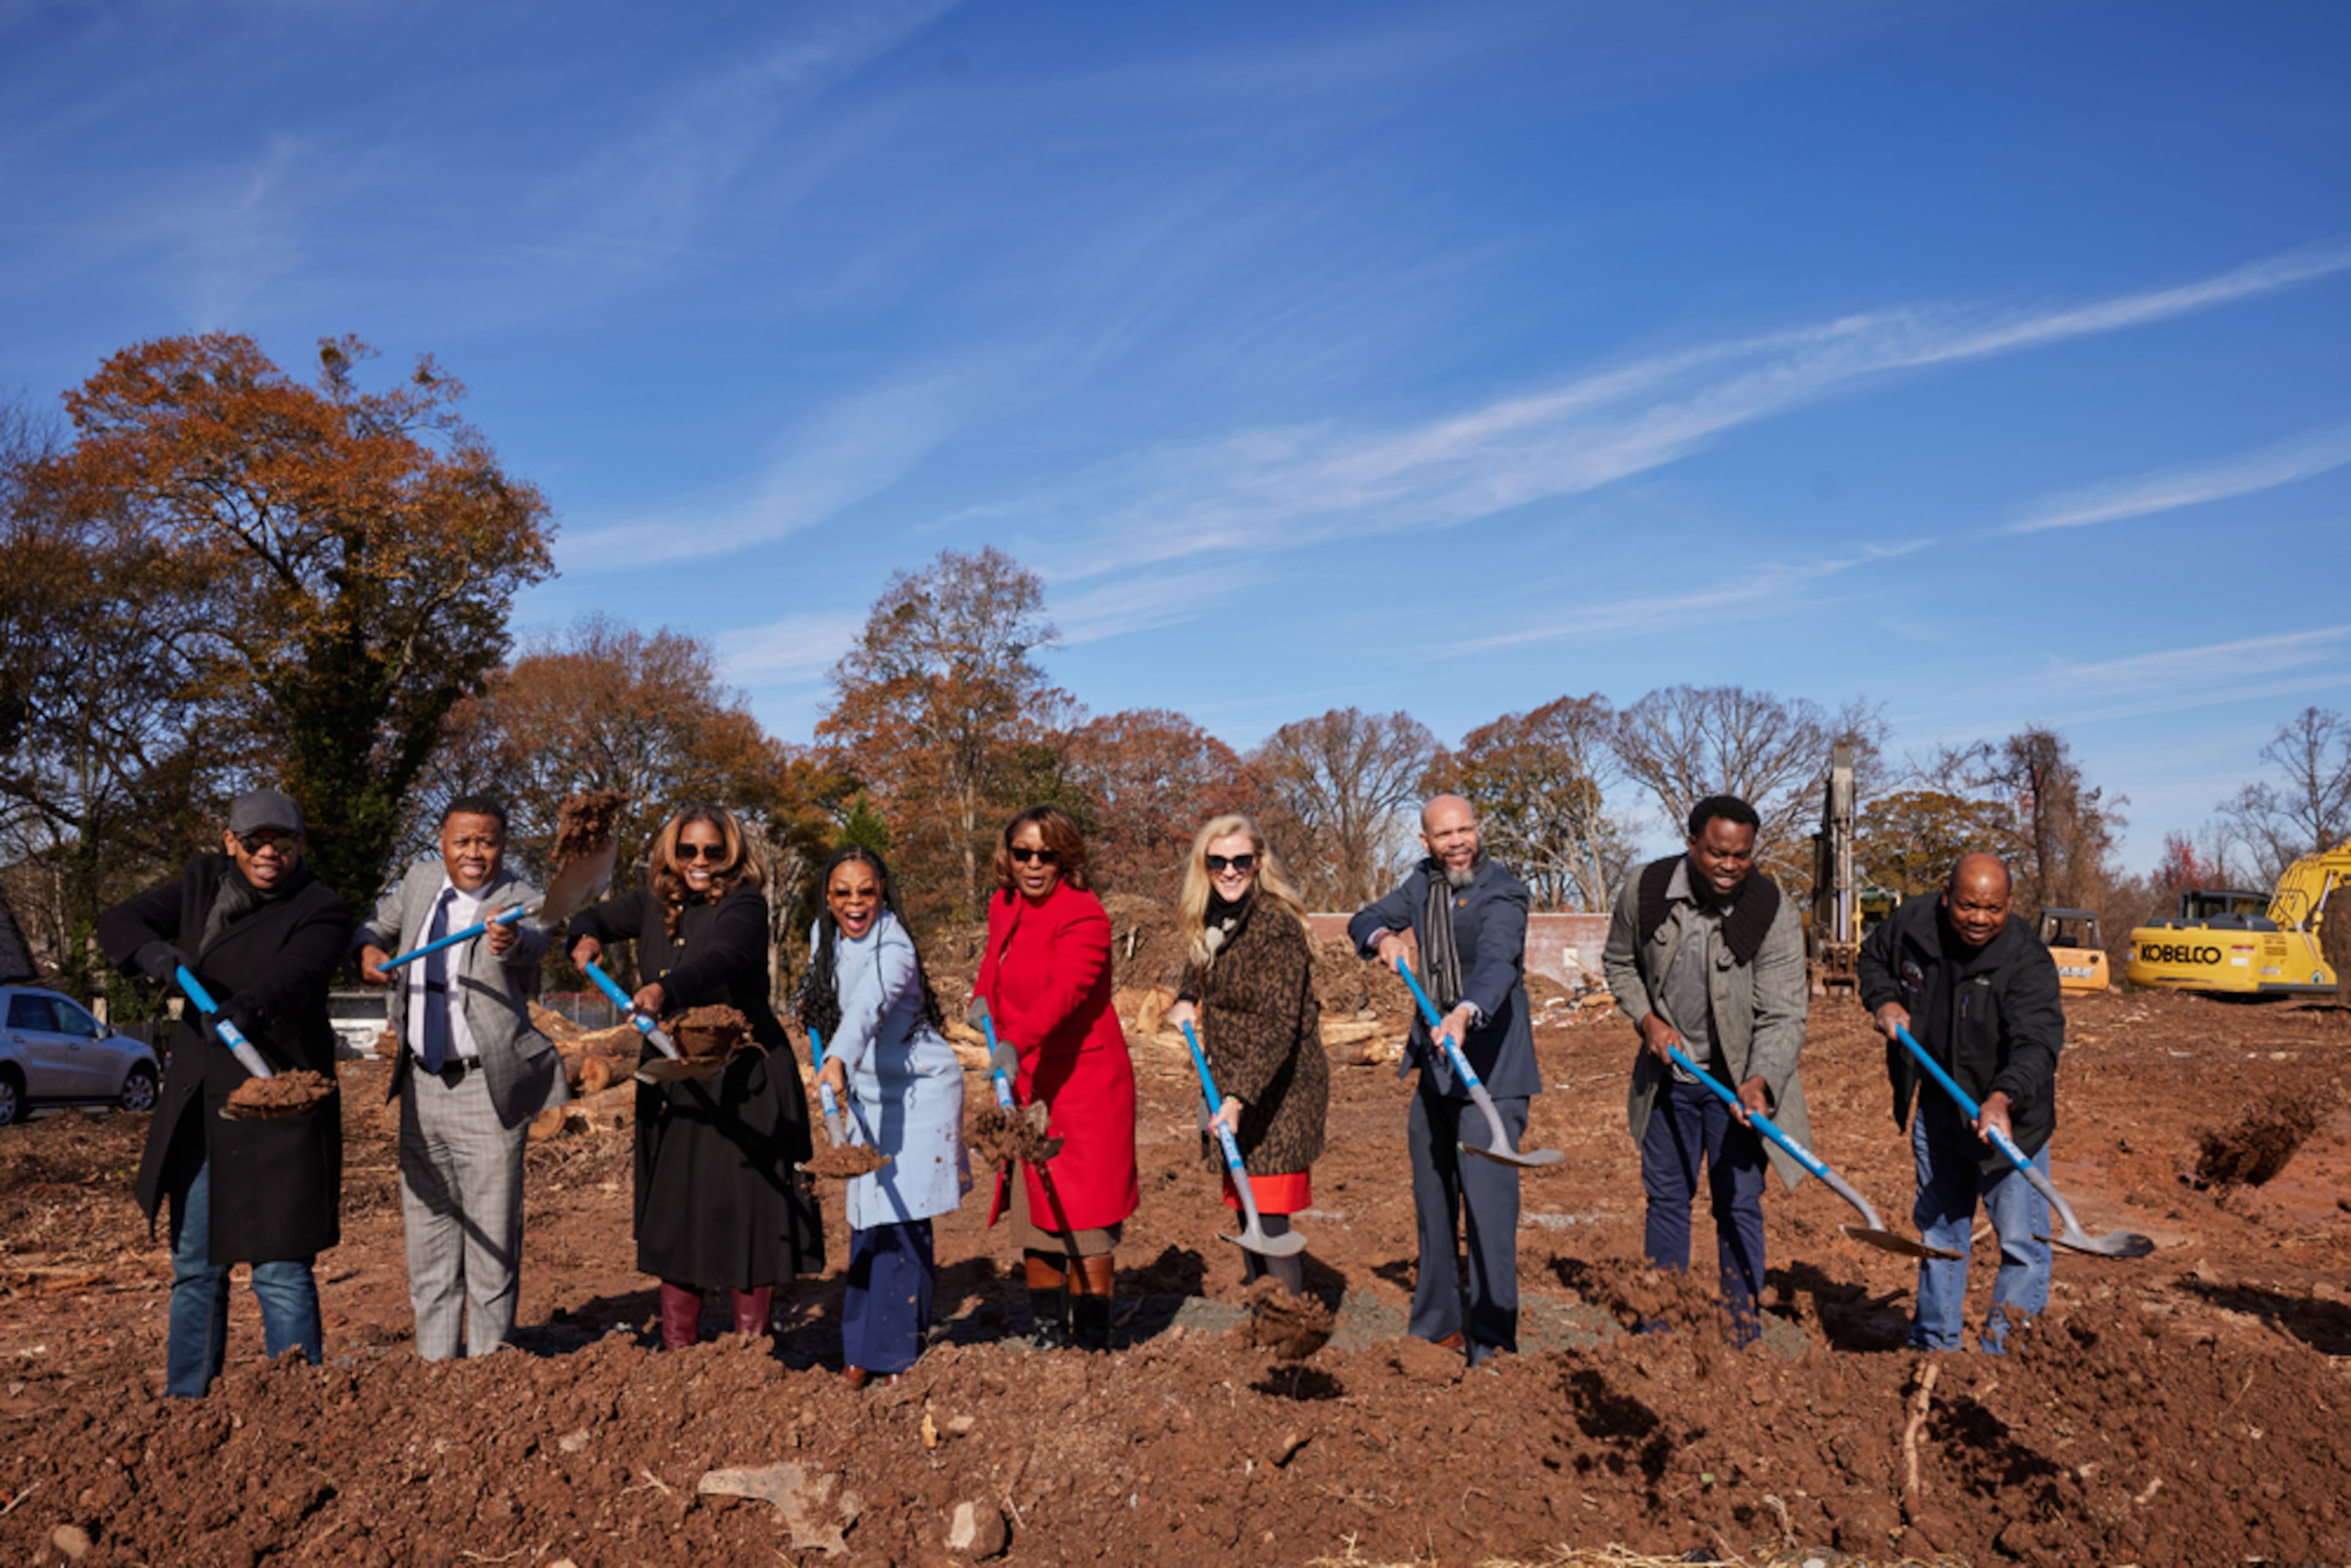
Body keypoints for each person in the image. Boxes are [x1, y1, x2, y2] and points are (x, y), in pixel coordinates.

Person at [96, 787, 353, 1397]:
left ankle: (295, 1404)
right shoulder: (202, 882)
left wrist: (247, 1007)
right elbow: (118, 921)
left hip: (278, 1100)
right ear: (230, 841)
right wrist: (154, 953)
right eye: (256, 841)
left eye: (283, 842)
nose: (270, 853)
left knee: (281, 1269)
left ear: (300, 845)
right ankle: (187, 1401)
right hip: (201, 1108)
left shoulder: (322, 907)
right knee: (196, 1269)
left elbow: (299, 972)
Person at [566, 805, 821, 1348]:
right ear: (671, 853)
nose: (699, 861)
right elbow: (594, 918)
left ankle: (751, 1347)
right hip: (675, 1073)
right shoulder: (655, 902)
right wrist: (583, 939)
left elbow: (727, 956)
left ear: (733, 853)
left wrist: (666, 990)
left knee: (749, 1203)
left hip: (743, 1072)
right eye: (688, 850)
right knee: (679, 1202)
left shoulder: (744, 904)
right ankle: (682, 1351)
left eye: (713, 851)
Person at [354, 794, 570, 1360]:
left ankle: (490, 1370)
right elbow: (375, 926)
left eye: (488, 841)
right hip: (421, 1089)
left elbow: (537, 939)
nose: (475, 853)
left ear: (502, 844)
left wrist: (512, 940)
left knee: (493, 1243)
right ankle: (435, 1368)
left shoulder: (520, 899)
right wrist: (370, 948)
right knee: (428, 1242)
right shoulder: (422, 881)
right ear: (443, 842)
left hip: (486, 1092)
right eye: (463, 841)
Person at [1602, 794, 1810, 1346]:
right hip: (1668, 1082)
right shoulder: (1646, 890)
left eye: (1741, 855)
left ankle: (1739, 1327)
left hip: (1737, 1088)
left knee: (1738, 1203)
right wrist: (1645, 1018)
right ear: (1692, 842)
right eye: (1717, 852)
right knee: (1667, 1199)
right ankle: (1661, 1324)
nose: (1729, 865)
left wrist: (1760, 1081)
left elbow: (1785, 1011)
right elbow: (1620, 962)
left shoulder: (1772, 910)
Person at [1347, 794, 1538, 1365]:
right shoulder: (1422, 885)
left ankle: (1494, 1342)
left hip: (1491, 1070)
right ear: (1425, 841)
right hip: (1435, 1071)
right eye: (1444, 833)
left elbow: (1500, 962)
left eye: (1466, 829)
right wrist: (1385, 938)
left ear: (1478, 830)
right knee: (1434, 1203)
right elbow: (1363, 918)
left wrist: (1463, 1012)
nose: (1458, 841)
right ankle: (1437, 1329)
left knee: (1488, 1211)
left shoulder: (1503, 890)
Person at [1859, 851, 2064, 1353]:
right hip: (1940, 1107)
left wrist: (2002, 1097)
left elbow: (2036, 1043)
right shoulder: (1913, 924)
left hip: (2010, 1121)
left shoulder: (2028, 961)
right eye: (1968, 905)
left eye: (1993, 908)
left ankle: (2004, 1354)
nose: (1979, 918)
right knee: (1940, 1232)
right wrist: (1885, 1000)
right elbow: (1872, 959)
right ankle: (1934, 1344)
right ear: (1947, 895)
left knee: (2021, 1244)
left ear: (2010, 904)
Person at [799, 847, 969, 1387]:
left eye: (866, 892)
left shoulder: (895, 946)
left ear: (883, 890)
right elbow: (820, 994)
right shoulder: (822, 936)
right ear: (828, 896)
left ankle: (896, 1356)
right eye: (843, 892)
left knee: (903, 1222)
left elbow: (870, 1004)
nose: (855, 903)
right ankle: (860, 1348)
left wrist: (837, 1058)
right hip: (865, 1091)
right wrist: (815, 1026)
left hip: (918, 1094)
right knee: (866, 1223)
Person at [971, 805, 1138, 1352]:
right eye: (1024, 853)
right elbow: (996, 957)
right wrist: (981, 996)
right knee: (1036, 1213)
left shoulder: (1085, 915)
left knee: (1085, 1215)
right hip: (1029, 1078)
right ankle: (1047, 1333)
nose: (1035, 864)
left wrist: (1014, 1040)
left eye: (1047, 854)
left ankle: (1091, 1340)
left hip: (1084, 1080)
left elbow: (1066, 992)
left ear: (1066, 857)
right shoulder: (1005, 902)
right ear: (1009, 856)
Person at [1165, 815, 1329, 1297]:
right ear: (1205, 866)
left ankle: (1291, 1329)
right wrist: (1185, 996)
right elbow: (1201, 966)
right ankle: (1264, 1315)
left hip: (1278, 1089)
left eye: (1241, 860)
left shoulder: (1275, 924)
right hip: (1232, 1080)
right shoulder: (1211, 916)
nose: (1230, 870)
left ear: (1258, 864)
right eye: (1218, 861)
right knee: (1245, 1206)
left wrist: (1238, 1097)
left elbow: (1281, 1025)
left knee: (1271, 1220)